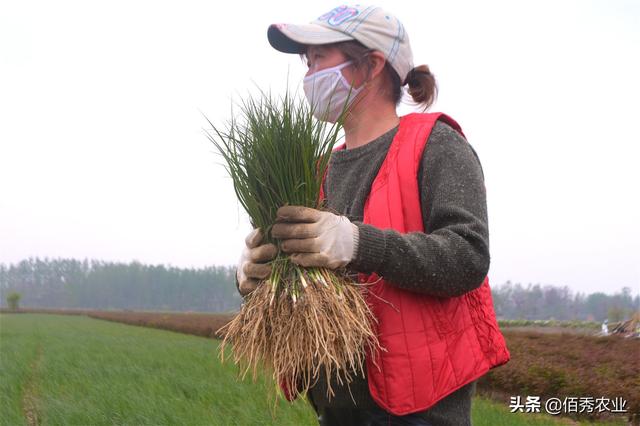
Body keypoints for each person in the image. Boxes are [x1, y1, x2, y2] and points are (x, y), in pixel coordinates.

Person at [236, 4, 511, 426]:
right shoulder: (318, 170)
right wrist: (253, 273)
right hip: (338, 409)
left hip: (418, 412)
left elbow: (467, 257)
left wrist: (358, 243)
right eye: (306, 64)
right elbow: (306, 274)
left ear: (371, 65)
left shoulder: (437, 145)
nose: (308, 76)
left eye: (319, 60)